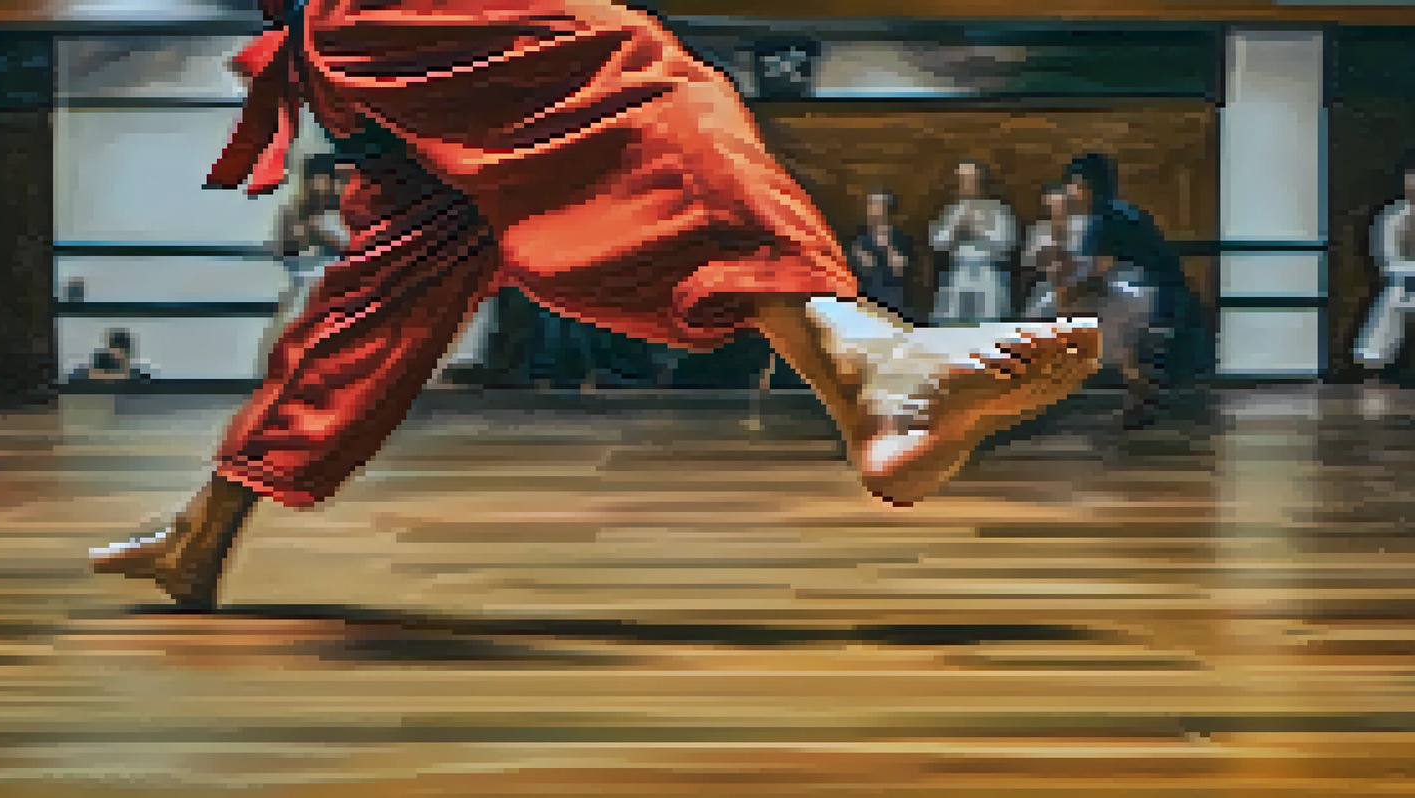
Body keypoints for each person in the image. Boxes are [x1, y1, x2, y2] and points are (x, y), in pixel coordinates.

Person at [90, 0, 1103, 610]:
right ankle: (864, 367)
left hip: (349, 63)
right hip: (374, 17)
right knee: (636, 74)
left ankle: (199, 536)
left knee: (375, 306)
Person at [1063, 153, 1207, 429]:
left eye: (1075, 185)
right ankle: (1139, 396)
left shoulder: (1106, 218)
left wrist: (1071, 293)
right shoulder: (1116, 214)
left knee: (1106, 314)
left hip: (1157, 295)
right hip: (1161, 293)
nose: (1070, 192)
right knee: (1110, 321)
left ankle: (1140, 393)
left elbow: (1100, 272)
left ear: (1089, 187)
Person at [256, 153, 350, 373]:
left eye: (335, 179)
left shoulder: (343, 213)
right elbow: (284, 247)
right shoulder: (293, 212)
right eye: (325, 178)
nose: (331, 185)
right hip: (305, 288)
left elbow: (357, 249)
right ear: (309, 180)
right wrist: (311, 233)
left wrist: (326, 237)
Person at [929, 160, 1018, 324]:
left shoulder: (998, 209)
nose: (967, 185)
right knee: (953, 322)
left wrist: (978, 229)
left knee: (988, 323)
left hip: (988, 272)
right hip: (959, 273)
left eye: (971, 179)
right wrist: (955, 230)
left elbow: (1007, 241)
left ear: (981, 181)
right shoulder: (951, 210)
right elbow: (936, 242)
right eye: (962, 180)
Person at [1353, 149, 1415, 384]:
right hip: (1404, 281)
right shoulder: (1393, 216)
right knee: (1392, 299)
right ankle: (1374, 362)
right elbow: (1386, 258)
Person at [1021, 182, 1093, 321]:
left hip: (1082, 286)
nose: (1056, 210)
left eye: (1059, 205)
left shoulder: (1084, 225)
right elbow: (1029, 262)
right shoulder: (1039, 229)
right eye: (1051, 207)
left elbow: (1089, 259)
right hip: (1048, 285)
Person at [848, 188, 917, 322]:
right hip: (867, 302)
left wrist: (886, 246)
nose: (874, 210)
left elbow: (899, 271)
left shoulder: (900, 239)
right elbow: (860, 271)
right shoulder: (861, 241)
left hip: (895, 302)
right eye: (871, 205)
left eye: (878, 206)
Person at [68, 328, 154, 384]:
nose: (118, 355)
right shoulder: (101, 358)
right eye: (115, 350)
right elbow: (82, 374)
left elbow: (139, 377)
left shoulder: (132, 372)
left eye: (121, 352)